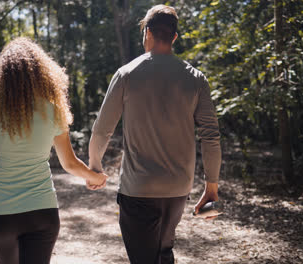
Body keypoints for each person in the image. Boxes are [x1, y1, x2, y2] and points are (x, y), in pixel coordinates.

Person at [0, 37, 107, 264]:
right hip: (42, 213)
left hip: (1, 216)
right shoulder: (53, 111)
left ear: (5, 75)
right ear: (39, 72)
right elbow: (69, 163)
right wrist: (95, 177)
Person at [87, 5, 221, 264]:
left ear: (146, 32)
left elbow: (103, 129)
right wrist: (211, 187)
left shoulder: (127, 74)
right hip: (178, 189)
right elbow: (211, 136)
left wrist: (94, 167)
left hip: (139, 189)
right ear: (174, 37)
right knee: (162, 252)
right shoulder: (196, 78)